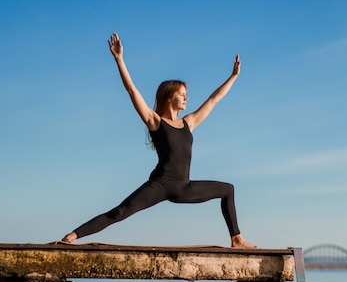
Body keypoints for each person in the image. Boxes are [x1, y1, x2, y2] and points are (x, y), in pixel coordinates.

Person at [61, 33, 257, 248]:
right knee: (121, 211)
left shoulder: (188, 123)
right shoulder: (155, 122)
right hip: (160, 185)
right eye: (182, 94)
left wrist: (233, 77)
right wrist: (119, 59)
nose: (186, 98)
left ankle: (236, 239)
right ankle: (72, 236)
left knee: (227, 189)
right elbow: (131, 90)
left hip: (184, 187)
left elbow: (213, 100)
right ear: (169, 97)